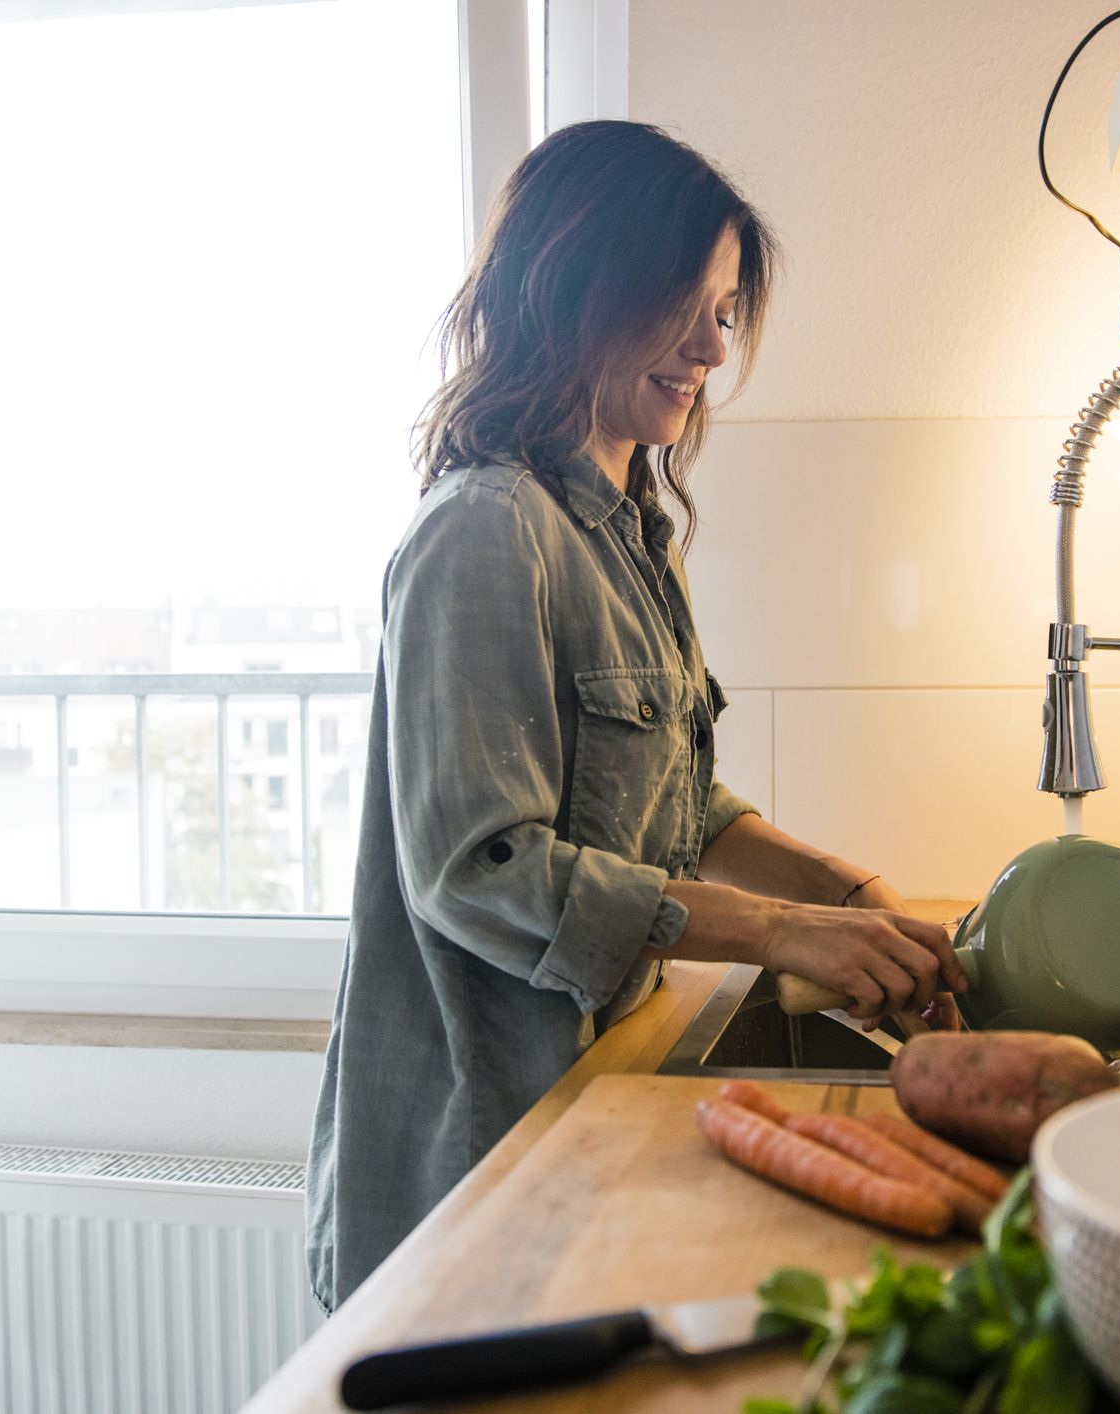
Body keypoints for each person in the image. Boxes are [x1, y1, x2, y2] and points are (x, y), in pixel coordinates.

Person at [304, 121, 964, 1312]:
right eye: (688, 300)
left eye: (726, 307)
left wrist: (845, 894)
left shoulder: (630, 535)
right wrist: (776, 932)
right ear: (577, 286)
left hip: (580, 1098)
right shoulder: (485, 532)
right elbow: (481, 866)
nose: (717, 342)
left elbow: (674, 806)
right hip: (474, 1158)